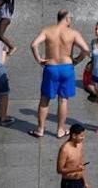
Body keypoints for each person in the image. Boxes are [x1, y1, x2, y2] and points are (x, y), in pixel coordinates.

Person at [30, 9, 90, 138]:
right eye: (71, 18)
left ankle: (40, 130)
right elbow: (85, 49)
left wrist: (39, 59)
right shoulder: (73, 33)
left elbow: (34, 44)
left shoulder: (47, 30)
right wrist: (77, 60)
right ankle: (60, 130)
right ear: (67, 19)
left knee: (45, 99)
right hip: (67, 68)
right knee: (63, 100)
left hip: (51, 67)